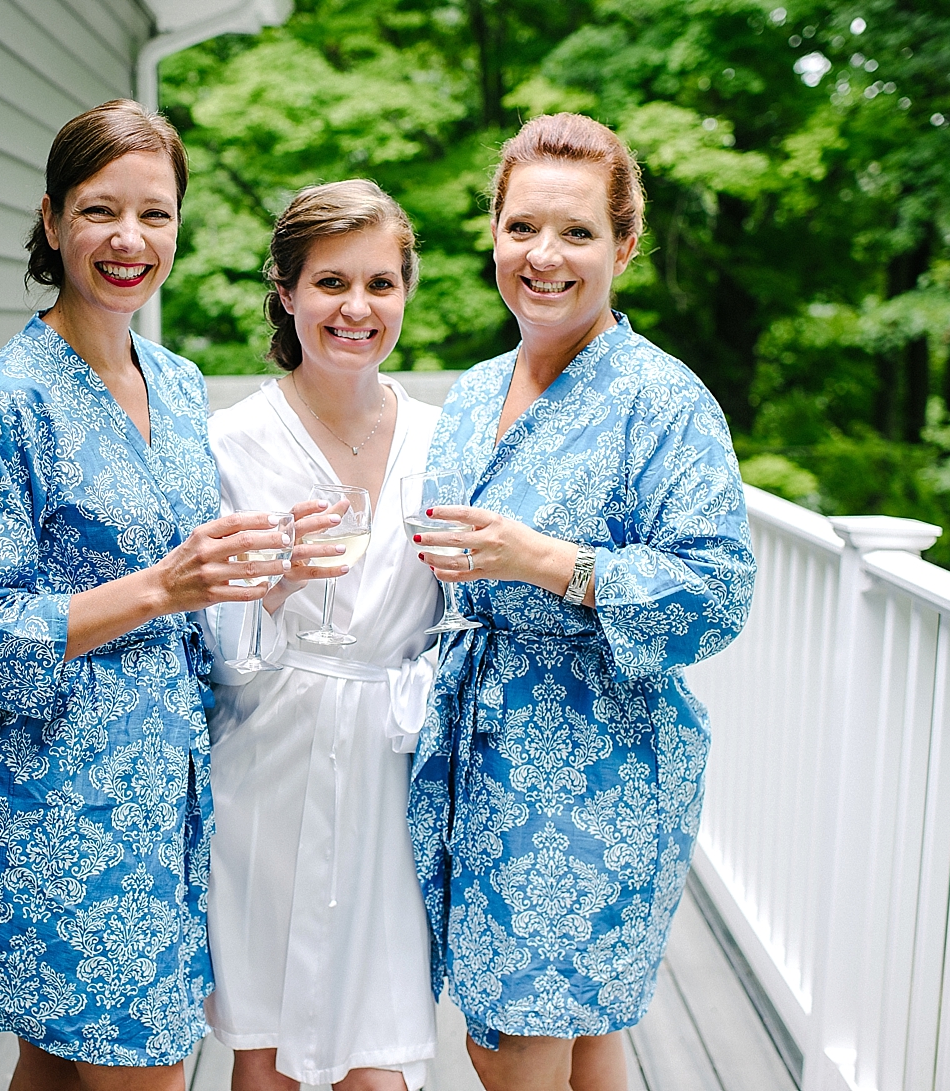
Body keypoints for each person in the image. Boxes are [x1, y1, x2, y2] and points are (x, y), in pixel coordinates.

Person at [0, 100, 289, 1091]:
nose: (130, 240)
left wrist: (257, 574)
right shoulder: (1, 401)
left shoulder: (176, 384)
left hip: (169, 777)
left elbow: (190, 573)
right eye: (100, 211)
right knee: (139, 1067)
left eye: (156, 214)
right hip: (53, 791)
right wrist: (158, 587)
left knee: (50, 1070)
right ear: (50, 222)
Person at [407, 114, 756, 1091]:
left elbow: (716, 592)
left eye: (574, 232)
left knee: (514, 1039)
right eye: (520, 227)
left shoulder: (663, 400)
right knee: (580, 1031)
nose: (542, 256)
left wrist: (549, 561)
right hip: (479, 749)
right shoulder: (474, 392)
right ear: (491, 233)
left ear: (623, 246)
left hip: (597, 761)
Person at [200, 180, 441, 1091]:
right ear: (287, 290)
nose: (357, 307)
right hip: (269, 759)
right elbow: (200, 635)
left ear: (406, 293)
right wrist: (270, 587)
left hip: (389, 764)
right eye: (331, 282)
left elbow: (458, 618)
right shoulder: (232, 442)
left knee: (376, 1060)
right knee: (265, 1053)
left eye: (381, 283)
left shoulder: (441, 439)